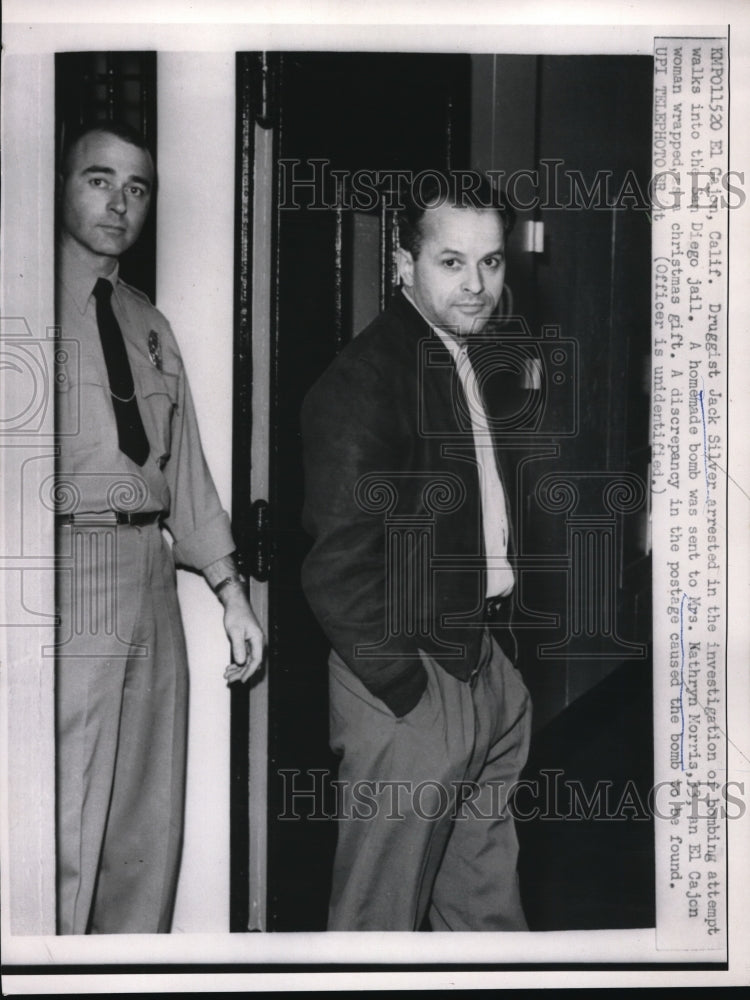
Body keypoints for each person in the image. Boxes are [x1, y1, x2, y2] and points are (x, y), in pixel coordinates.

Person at [301, 173, 532, 931]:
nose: (477, 284)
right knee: (377, 926)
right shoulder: (364, 378)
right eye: (452, 262)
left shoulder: (467, 360)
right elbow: (338, 565)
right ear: (404, 264)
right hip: (410, 682)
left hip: (481, 665)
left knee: (484, 917)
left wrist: (496, 680)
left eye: (491, 262)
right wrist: (408, 691)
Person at [54, 121, 264, 934]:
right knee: (67, 810)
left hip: (150, 568)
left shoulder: (149, 324)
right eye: (99, 179)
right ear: (60, 185)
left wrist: (231, 593)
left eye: (137, 189)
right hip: (65, 565)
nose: (119, 202)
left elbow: (188, 475)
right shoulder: (19, 300)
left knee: (148, 818)